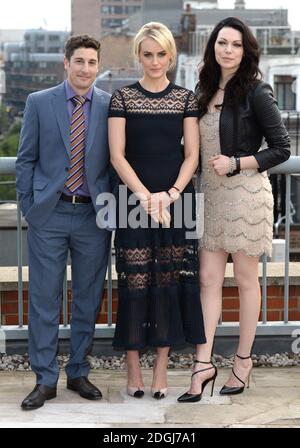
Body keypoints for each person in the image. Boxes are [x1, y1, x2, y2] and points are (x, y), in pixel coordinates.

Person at [178, 16, 290, 403]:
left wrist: (238, 162)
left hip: (245, 196)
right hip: (211, 197)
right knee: (208, 279)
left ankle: (243, 361)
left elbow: (282, 147)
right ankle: (203, 364)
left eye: (236, 44)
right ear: (212, 47)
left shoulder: (257, 91)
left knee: (245, 281)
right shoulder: (202, 89)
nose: (228, 50)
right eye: (222, 43)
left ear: (246, 51)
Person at [108, 22, 206, 399]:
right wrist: (147, 197)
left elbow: (192, 154)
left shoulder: (185, 99)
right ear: (138, 55)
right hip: (131, 201)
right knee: (134, 283)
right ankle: (133, 366)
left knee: (167, 283)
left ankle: (161, 369)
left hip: (176, 203)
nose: (154, 61)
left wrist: (170, 194)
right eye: (147, 54)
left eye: (161, 54)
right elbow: (117, 156)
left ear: (171, 55)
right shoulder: (123, 98)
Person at [16, 35, 114, 410]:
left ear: (98, 65)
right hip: (49, 213)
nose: (85, 69)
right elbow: (25, 159)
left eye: (92, 62)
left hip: (93, 214)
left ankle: (78, 371)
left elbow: (116, 159)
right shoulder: (39, 103)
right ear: (66, 63)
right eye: (79, 61)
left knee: (88, 297)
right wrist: (28, 205)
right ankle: (44, 378)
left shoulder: (109, 105)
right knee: (44, 298)